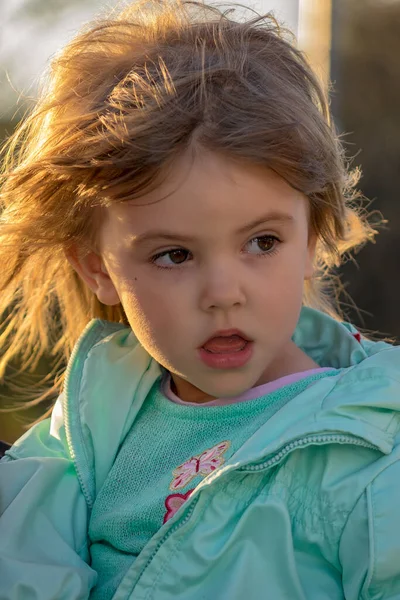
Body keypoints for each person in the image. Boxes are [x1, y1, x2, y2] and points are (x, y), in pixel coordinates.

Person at [0, 0, 399, 598]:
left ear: (313, 237)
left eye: (262, 242)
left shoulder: (370, 450)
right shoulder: (93, 421)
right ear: (98, 268)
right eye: (175, 255)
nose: (223, 294)